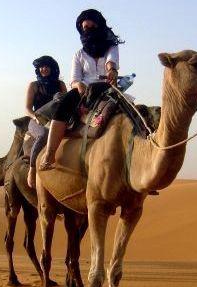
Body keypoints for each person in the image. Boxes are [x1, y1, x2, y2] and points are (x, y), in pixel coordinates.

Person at [39, 9, 123, 170]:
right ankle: (49, 155)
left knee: (132, 113)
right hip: (83, 90)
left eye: (92, 27)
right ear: (81, 29)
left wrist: (112, 70)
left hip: (107, 87)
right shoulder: (79, 54)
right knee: (63, 107)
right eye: (86, 27)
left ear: (99, 27)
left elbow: (111, 62)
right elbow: (74, 79)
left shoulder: (111, 47)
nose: (89, 30)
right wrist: (79, 86)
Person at [25, 56, 67, 188]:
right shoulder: (34, 85)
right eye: (41, 66)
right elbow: (27, 108)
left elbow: (67, 103)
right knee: (43, 135)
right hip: (38, 120)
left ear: (52, 68)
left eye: (47, 66)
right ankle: (32, 170)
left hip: (57, 119)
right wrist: (35, 117)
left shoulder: (60, 85)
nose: (44, 69)